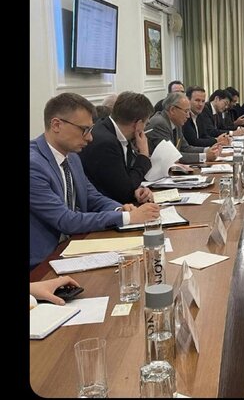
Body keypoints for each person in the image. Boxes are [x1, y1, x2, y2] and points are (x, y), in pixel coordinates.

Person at [30, 93, 160, 269]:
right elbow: (65, 220)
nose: (90, 138)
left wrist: (120, 208)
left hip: (73, 246)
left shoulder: (72, 157)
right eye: (84, 130)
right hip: (42, 264)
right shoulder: (34, 165)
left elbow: (92, 196)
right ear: (56, 125)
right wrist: (128, 217)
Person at [79, 92, 156, 205]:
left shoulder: (110, 130)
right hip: (102, 207)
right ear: (138, 124)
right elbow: (124, 193)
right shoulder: (106, 143)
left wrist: (138, 189)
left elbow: (124, 181)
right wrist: (143, 155)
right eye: (146, 124)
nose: (144, 128)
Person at [146, 91, 222, 164]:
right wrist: (204, 156)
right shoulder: (160, 123)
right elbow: (172, 156)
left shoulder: (176, 122)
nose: (188, 116)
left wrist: (207, 150)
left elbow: (185, 148)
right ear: (172, 110)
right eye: (186, 111)